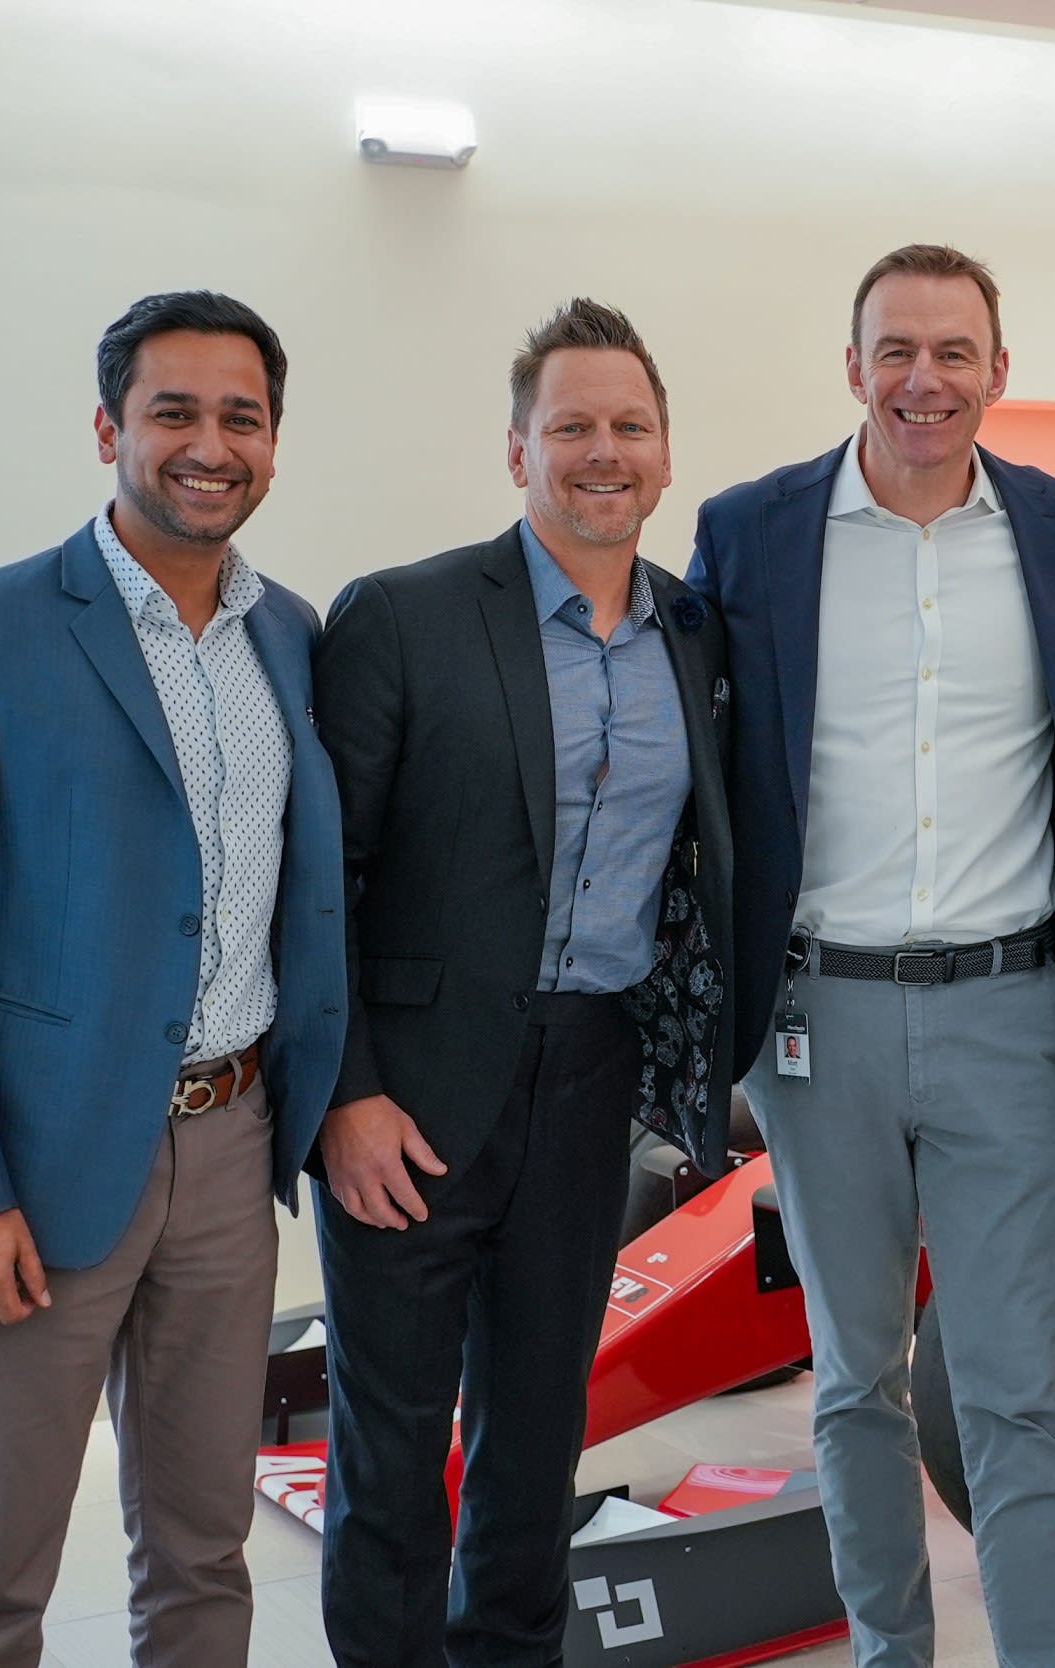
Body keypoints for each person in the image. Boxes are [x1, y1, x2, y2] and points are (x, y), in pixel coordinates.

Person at [0, 291, 345, 1668]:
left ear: (272, 440)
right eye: (173, 412)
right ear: (107, 429)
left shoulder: (290, 634)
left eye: (240, 417)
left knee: (202, 1550)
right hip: (44, 1167)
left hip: (233, 1148)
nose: (209, 444)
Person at [687, 245, 1055, 1668]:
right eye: (895, 350)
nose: (923, 381)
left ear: (1000, 370)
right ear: (853, 363)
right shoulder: (753, 531)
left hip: (1010, 1012)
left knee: (1004, 1388)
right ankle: (891, 1648)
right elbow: (702, 764)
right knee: (854, 1377)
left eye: (953, 353)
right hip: (821, 1017)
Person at [310, 297, 735, 1668]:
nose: (601, 452)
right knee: (390, 1448)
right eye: (571, 427)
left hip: (590, 1070)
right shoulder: (405, 614)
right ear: (517, 451)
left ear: (666, 454)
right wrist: (347, 1097)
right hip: (411, 1099)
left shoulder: (699, 635)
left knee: (539, 1430)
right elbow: (325, 883)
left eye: (629, 427)